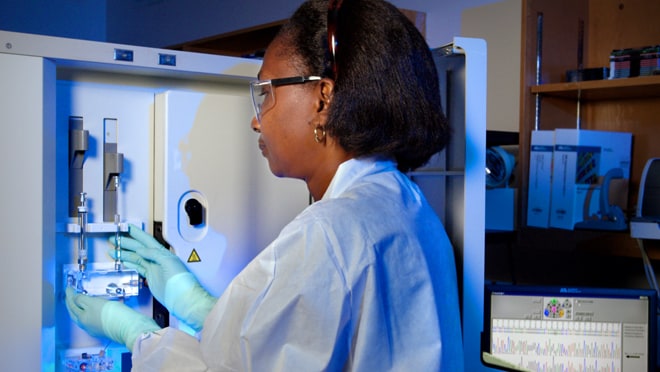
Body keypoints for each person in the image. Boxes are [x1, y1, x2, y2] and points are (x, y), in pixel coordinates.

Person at [66, 0, 465, 370]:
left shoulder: (326, 236)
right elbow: (298, 342)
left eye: (265, 92)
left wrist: (135, 336)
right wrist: (198, 305)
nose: (257, 120)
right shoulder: (409, 208)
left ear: (322, 99)